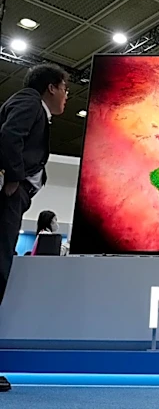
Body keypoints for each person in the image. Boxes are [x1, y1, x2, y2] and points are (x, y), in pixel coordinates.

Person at [0, 63, 68, 393]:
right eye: (65, 89)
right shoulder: (29, 101)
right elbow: (10, 135)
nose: (67, 96)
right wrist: (14, 178)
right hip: (6, 199)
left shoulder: (30, 105)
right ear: (51, 87)